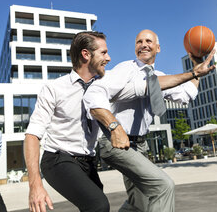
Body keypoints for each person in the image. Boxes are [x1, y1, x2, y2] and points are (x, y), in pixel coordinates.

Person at [83, 29, 216, 212]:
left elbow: (186, 95)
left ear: (158, 48)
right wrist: (113, 126)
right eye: (139, 42)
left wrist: (197, 66)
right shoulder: (126, 69)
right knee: (163, 186)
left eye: (148, 41)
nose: (143, 45)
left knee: (138, 203)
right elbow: (97, 91)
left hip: (140, 146)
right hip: (117, 142)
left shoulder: (159, 76)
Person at [24, 31, 139, 212]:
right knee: (98, 205)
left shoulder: (105, 87)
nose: (108, 58)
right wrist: (35, 185)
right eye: (103, 52)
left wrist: (193, 74)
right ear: (86, 54)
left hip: (89, 161)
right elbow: (32, 135)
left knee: (98, 206)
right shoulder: (54, 89)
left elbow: (142, 87)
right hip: (57, 159)